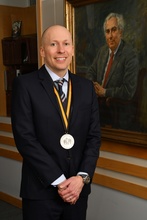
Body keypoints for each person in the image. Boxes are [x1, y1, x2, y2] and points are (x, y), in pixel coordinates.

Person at [11, 25, 101, 220]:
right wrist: (60, 182)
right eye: (54, 44)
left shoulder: (86, 88)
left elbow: (94, 138)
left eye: (66, 44)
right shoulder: (25, 86)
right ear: (43, 51)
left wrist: (81, 179)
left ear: (72, 50)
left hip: (78, 192)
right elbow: (25, 139)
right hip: (40, 192)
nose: (61, 50)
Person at [87, 13, 139, 129]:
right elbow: (91, 72)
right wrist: (93, 86)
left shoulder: (130, 55)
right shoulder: (102, 51)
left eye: (114, 30)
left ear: (121, 31)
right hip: (99, 105)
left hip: (117, 110)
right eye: (107, 31)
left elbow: (128, 91)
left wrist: (105, 92)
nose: (110, 36)